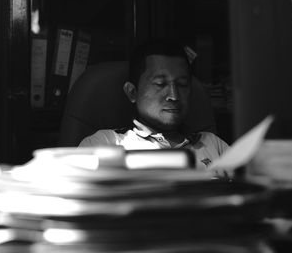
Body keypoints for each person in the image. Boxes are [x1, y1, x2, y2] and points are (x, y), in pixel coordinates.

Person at [78, 39, 229, 170]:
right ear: (132, 92)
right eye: (160, 84)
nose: (173, 96)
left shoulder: (213, 144)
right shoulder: (105, 144)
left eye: (182, 85)